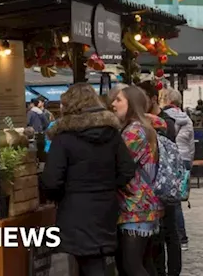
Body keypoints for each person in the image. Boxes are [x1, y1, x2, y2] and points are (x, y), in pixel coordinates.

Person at [41, 83, 136, 276]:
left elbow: (52, 180)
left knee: (83, 262)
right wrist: (109, 185)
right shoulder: (112, 134)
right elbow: (127, 168)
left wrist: (59, 196)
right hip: (106, 206)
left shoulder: (64, 138)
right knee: (95, 260)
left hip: (75, 209)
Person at [112, 86, 163, 276]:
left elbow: (118, 164)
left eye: (118, 100)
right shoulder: (145, 128)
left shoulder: (133, 131)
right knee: (144, 262)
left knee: (131, 265)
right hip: (146, 204)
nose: (113, 104)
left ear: (131, 104)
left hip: (135, 206)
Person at [137, 81, 180, 276]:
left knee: (168, 232)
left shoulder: (164, 122)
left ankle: (171, 271)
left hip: (163, 185)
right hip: (153, 187)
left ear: (153, 99)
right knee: (159, 236)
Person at [161, 88, 195, 252]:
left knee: (172, 203)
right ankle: (182, 239)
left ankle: (179, 237)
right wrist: (190, 163)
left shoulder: (163, 118)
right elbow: (191, 145)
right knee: (178, 201)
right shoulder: (187, 119)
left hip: (171, 159)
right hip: (185, 158)